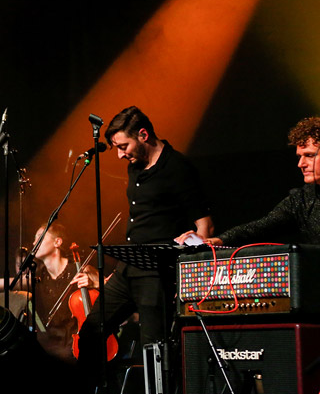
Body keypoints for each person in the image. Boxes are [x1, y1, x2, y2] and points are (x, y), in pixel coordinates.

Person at [78, 106, 213, 370]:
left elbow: (204, 224)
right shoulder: (135, 166)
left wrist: (192, 275)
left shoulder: (177, 167)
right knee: (90, 332)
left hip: (156, 271)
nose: (119, 154)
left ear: (143, 135)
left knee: (153, 349)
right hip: (128, 267)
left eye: (123, 146)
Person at [179, 116, 320, 246]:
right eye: (299, 156)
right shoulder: (301, 199)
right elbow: (260, 227)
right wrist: (216, 241)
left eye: (309, 155)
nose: (301, 164)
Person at [27, 223, 98, 362]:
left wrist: (94, 283)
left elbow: (109, 286)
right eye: (34, 239)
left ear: (57, 242)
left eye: (39, 237)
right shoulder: (38, 277)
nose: (34, 243)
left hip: (76, 343)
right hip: (51, 343)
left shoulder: (82, 269)